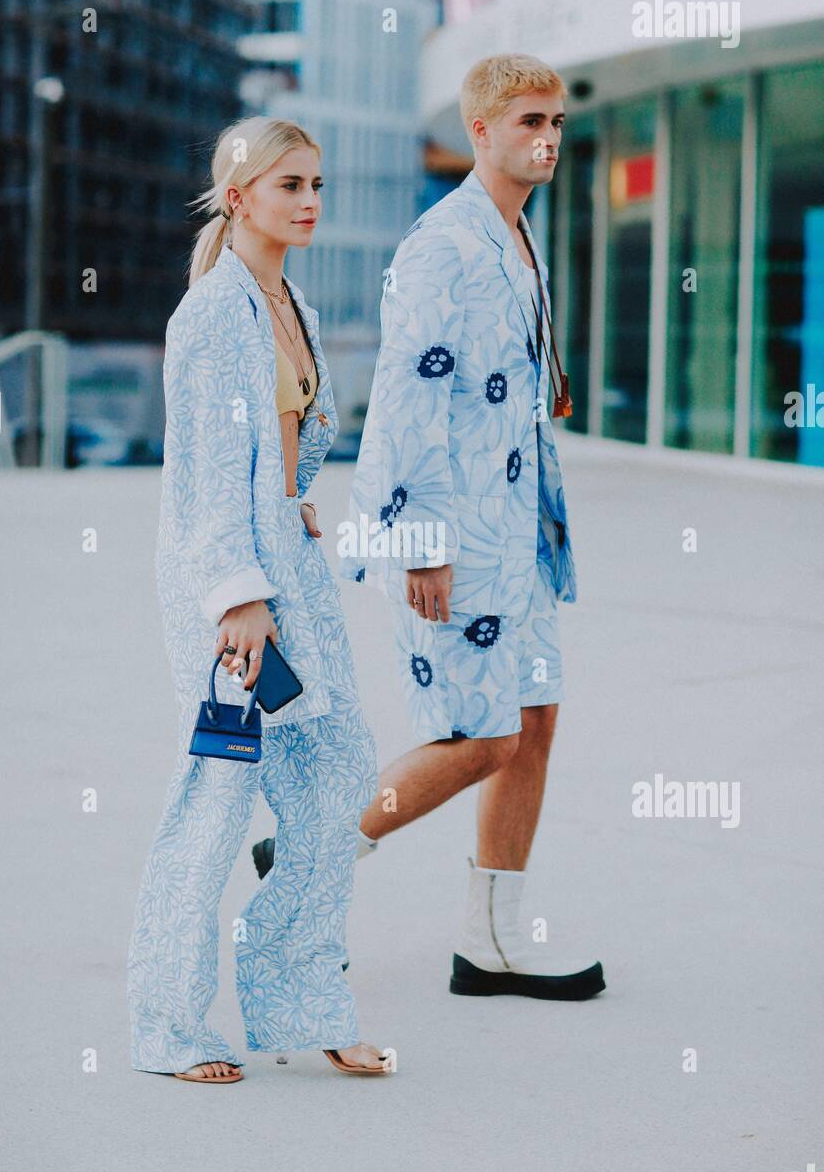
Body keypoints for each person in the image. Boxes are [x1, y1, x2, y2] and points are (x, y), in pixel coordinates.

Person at [254, 54, 605, 1001]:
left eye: (558, 123)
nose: (548, 139)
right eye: (529, 121)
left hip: (522, 531)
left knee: (532, 721)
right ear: (480, 133)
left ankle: (491, 944)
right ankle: (315, 846)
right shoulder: (443, 244)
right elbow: (409, 400)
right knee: (478, 734)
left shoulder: (516, 236)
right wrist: (421, 543)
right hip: (455, 535)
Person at [127, 116, 391, 1082]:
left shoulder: (295, 307)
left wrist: (293, 504)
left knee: (334, 782)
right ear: (239, 198)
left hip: (290, 568)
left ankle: (302, 1004)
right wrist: (236, 597)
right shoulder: (208, 314)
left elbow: (281, 444)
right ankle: (168, 1028)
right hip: (229, 592)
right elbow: (199, 474)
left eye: (317, 183)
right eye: (289, 186)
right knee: (219, 793)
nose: (311, 200)